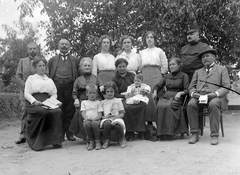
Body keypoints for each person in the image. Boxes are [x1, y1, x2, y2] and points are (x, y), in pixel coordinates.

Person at [187, 45, 230, 145]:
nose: (205, 58)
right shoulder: (198, 72)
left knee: (213, 104)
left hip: (215, 97)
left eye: (207, 56)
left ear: (214, 57)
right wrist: (194, 93)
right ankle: (194, 133)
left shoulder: (222, 69)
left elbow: (226, 87)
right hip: (199, 96)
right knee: (191, 104)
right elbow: (191, 86)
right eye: (203, 57)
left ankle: (214, 135)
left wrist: (214, 94)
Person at [24, 56, 64, 151]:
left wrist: (53, 102)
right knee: (43, 113)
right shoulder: (31, 78)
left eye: (43, 65)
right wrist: (34, 101)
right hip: (34, 103)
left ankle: (55, 141)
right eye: (39, 66)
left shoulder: (49, 80)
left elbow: (54, 94)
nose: (42, 67)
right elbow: (27, 93)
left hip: (47, 102)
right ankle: (38, 142)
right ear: (35, 67)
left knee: (58, 111)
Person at [48, 39, 80, 141]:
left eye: (66, 44)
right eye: (62, 44)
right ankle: (60, 133)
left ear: (69, 46)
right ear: (58, 46)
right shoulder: (52, 60)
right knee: (59, 109)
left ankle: (69, 133)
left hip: (70, 86)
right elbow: (49, 74)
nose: (64, 46)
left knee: (70, 110)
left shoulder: (75, 60)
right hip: (57, 87)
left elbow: (78, 74)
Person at [152, 57, 189, 140]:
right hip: (166, 96)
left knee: (169, 106)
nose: (171, 66)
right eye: (170, 65)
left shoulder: (184, 76)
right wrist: (155, 91)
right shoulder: (167, 76)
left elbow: (187, 90)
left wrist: (180, 93)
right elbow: (158, 85)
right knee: (159, 106)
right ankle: (161, 132)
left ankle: (170, 132)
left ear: (179, 65)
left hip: (177, 97)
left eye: (173, 64)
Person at [112, 58, 146, 141]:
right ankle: (129, 132)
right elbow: (115, 93)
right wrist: (125, 96)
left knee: (142, 105)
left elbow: (139, 84)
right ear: (116, 67)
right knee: (126, 108)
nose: (122, 68)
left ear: (126, 66)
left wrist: (142, 91)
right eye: (120, 66)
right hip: (122, 97)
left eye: (124, 66)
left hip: (135, 95)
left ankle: (140, 130)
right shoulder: (115, 79)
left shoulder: (132, 75)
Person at [140, 31, 168, 124]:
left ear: (155, 39)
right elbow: (140, 66)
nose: (149, 39)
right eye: (147, 37)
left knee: (155, 97)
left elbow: (164, 66)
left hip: (156, 74)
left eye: (151, 37)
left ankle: (159, 122)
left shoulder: (159, 51)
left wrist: (160, 76)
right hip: (145, 75)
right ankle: (149, 123)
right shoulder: (142, 52)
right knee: (146, 96)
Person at [69, 57, 99, 139]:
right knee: (80, 112)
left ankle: (97, 134)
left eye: (89, 65)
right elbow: (74, 92)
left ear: (92, 67)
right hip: (83, 101)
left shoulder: (96, 78)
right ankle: (86, 135)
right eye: (85, 65)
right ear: (81, 67)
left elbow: (99, 91)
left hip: (94, 100)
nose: (87, 67)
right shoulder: (78, 80)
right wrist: (76, 99)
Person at [15, 42, 39, 144]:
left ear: (37, 50)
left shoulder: (41, 60)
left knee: (38, 112)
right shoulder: (22, 61)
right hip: (25, 92)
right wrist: (26, 87)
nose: (32, 50)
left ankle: (37, 135)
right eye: (30, 49)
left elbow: (46, 75)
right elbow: (18, 76)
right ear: (27, 50)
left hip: (38, 92)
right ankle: (23, 134)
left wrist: (37, 87)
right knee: (24, 112)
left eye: (34, 49)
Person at [100, 81, 127, 149]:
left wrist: (116, 117)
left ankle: (121, 139)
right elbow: (100, 115)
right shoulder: (102, 102)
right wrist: (105, 117)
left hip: (117, 117)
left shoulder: (118, 101)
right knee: (107, 123)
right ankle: (107, 140)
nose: (109, 93)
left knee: (117, 124)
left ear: (114, 91)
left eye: (111, 91)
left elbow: (122, 114)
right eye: (108, 91)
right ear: (104, 92)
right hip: (106, 118)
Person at [81, 84, 103, 151]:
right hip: (87, 119)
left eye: (94, 93)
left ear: (96, 94)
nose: (92, 95)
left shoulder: (98, 102)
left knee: (94, 124)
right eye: (90, 93)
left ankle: (97, 141)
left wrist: (95, 119)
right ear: (86, 94)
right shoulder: (84, 102)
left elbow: (100, 114)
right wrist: (86, 118)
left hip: (96, 119)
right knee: (87, 124)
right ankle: (91, 141)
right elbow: (83, 112)